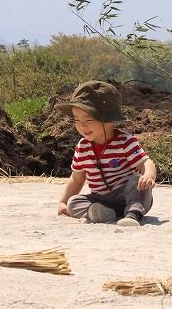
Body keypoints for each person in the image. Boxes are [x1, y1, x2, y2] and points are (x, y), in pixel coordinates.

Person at [55, 80, 157, 227]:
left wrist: (148, 175)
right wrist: (63, 202)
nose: (82, 125)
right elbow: (77, 179)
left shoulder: (124, 141)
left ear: (109, 121)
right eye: (77, 120)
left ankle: (133, 214)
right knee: (74, 201)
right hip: (101, 200)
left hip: (127, 195)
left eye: (89, 119)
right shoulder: (82, 147)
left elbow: (145, 162)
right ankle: (99, 213)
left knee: (137, 181)